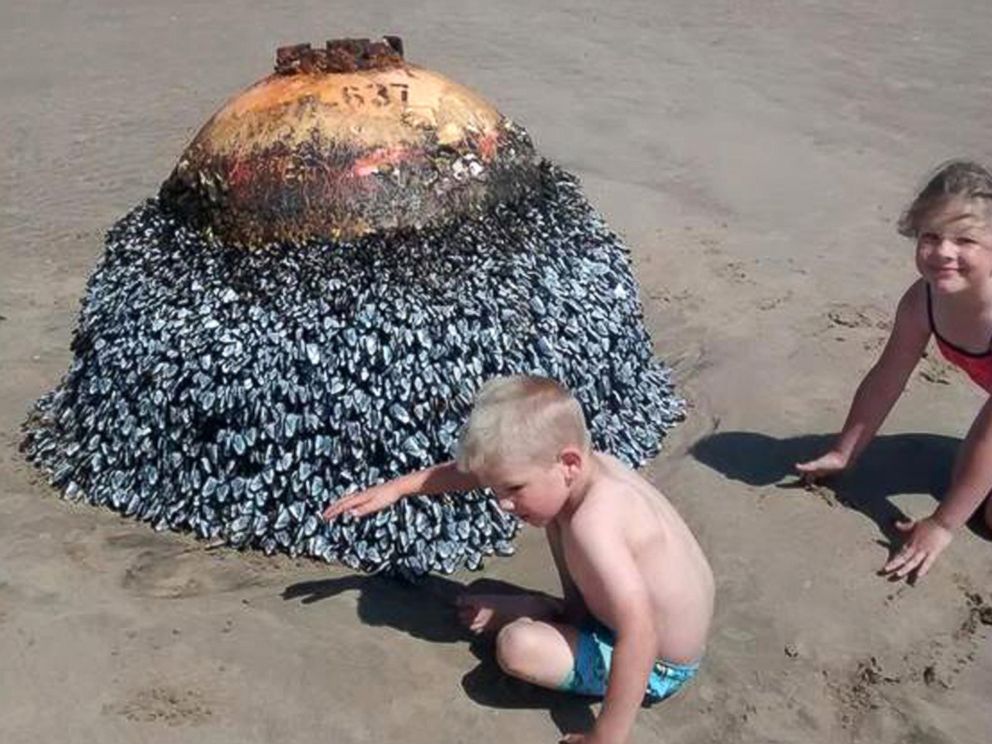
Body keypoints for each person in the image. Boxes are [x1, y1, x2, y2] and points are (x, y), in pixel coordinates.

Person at [323, 375, 714, 744]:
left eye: (513, 489)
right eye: (497, 490)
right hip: (623, 623)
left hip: (657, 664)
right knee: (519, 554)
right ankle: (559, 613)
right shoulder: (589, 469)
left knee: (517, 647)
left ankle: (557, 618)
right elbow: (477, 473)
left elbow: (641, 633)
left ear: (569, 463)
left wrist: (604, 737)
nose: (503, 504)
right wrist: (398, 488)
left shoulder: (595, 523)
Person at [797, 160, 992, 581]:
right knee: (966, 483)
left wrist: (941, 526)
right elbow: (887, 377)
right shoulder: (922, 302)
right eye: (931, 236)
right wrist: (845, 451)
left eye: (965, 240)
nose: (943, 251)